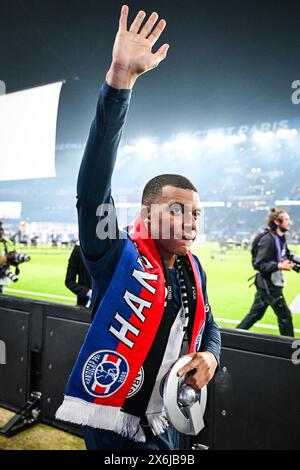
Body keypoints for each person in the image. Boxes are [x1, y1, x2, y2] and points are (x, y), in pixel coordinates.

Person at [56, 5, 221, 451]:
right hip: (115, 429)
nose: (191, 222)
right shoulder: (115, 252)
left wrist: (210, 355)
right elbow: (92, 189)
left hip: (168, 421)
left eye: (196, 214)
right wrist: (119, 84)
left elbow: (210, 327)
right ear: (147, 216)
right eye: (177, 210)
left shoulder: (193, 269)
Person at [237, 207, 294, 337]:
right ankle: (289, 351)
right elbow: (259, 264)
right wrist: (279, 266)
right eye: (286, 220)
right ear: (277, 222)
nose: (289, 222)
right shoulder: (268, 240)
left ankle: (230, 337)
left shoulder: (281, 238)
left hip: (269, 284)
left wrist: (293, 263)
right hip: (269, 285)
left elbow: (286, 255)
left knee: (254, 315)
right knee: (285, 317)